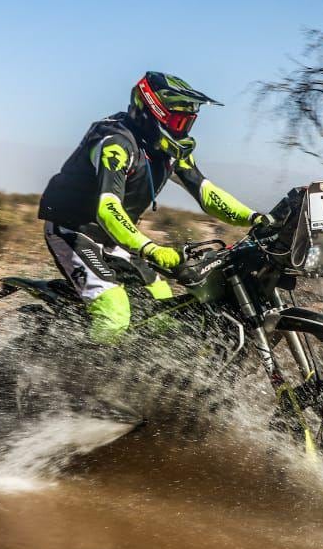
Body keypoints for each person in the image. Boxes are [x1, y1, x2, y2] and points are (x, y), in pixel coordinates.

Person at [38, 71, 269, 344]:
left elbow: (206, 192)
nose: (182, 130)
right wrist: (151, 249)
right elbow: (107, 207)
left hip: (114, 238)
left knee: (162, 309)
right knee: (114, 313)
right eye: (177, 121)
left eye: (187, 122)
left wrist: (254, 218)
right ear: (151, 112)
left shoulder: (167, 151)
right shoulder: (117, 143)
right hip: (73, 230)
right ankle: (76, 380)